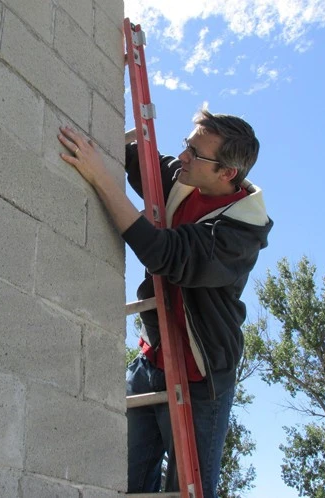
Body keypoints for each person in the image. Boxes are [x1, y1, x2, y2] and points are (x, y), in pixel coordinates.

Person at [57, 109, 272, 498]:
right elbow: (138, 159)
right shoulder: (185, 179)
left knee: (188, 490)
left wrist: (100, 178)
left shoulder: (239, 235)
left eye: (195, 154)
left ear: (226, 174)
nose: (183, 158)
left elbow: (163, 253)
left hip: (199, 377)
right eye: (187, 147)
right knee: (127, 484)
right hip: (152, 360)